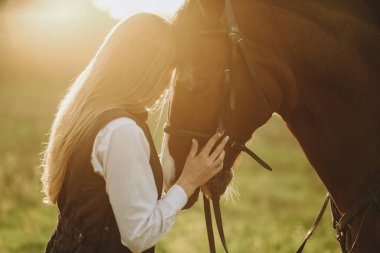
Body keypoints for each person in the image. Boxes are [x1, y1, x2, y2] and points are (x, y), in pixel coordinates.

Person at [41, 13, 229, 253]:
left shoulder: (88, 113)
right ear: (144, 69)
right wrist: (188, 182)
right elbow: (139, 234)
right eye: (166, 70)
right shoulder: (122, 131)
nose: (165, 86)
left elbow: (123, 195)